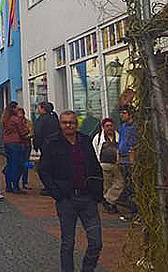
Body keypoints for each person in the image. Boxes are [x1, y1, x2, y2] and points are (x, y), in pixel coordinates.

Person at [40, 110, 104, 272]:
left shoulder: (85, 140)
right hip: (66, 199)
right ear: (60, 124)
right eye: (65, 122)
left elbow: (95, 167)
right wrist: (57, 193)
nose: (69, 125)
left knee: (96, 242)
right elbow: (44, 170)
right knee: (68, 243)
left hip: (88, 198)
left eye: (72, 122)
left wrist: (97, 192)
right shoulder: (52, 142)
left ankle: (87, 269)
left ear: (77, 124)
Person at [92, 118, 124, 213]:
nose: (109, 128)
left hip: (116, 164)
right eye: (107, 126)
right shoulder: (98, 138)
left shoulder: (118, 136)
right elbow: (94, 150)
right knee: (106, 186)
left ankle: (107, 200)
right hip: (103, 165)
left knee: (120, 183)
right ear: (103, 127)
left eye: (111, 126)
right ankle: (110, 206)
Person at [34, 101, 61, 195]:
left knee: (43, 168)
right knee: (54, 167)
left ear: (43, 109)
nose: (37, 110)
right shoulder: (54, 117)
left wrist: (36, 145)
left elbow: (38, 133)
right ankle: (54, 185)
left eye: (39, 108)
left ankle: (49, 187)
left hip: (45, 146)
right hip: (56, 146)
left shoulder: (41, 120)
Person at [116, 106, 138, 214]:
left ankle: (134, 212)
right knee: (126, 186)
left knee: (132, 187)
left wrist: (132, 159)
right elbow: (120, 142)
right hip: (122, 159)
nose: (122, 115)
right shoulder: (122, 127)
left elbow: (134, 144)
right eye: (121, 113)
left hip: (130, 159)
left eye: (124, 113)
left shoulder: (134, 127)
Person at [1, 101, 25, 193]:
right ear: (13, 108)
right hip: (16, 142)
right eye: (17, 108)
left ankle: (8, 186)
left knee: (9, 164)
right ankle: (15, 186)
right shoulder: (15, 119)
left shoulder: (5, 118)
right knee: (16, 165)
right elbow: (22, 131)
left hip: (7, 143)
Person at [17, 107, 33, 190]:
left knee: (25, 163)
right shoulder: (15, 123)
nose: (20, 116)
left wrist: (25, 136)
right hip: (18, 145)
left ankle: (25, 182)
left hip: (26, 144)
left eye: (21, 114)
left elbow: (31, 132)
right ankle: (16, 181)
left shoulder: (28, 122)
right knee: (18, 163)